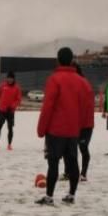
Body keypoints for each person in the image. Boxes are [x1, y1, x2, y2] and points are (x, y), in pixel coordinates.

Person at [35, 47, 91, 205]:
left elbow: (48, 106)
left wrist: (41, 129)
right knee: (73, 162)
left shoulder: (55, 79)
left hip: (56, 130)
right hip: (73, 130)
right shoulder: (82, 81)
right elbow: (86, 106)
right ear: (72, 60)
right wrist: (83, 127)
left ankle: (49, 196)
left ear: (58, 60)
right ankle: (71, 194)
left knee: (53, 163)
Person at [73, 63, 95, 181]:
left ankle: (83, 173)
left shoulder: (83, 84)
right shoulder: (73, 83)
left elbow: (85, 106)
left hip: (85, 124)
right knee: (70, 149)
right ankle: (70, 172)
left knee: (83, 147)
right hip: (74, 123)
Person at [0, 70, 22, 151]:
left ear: (13, 79)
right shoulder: (3, 85)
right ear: (6, 78)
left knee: (10, 128)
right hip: (2, 110)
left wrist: (12, 106)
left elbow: (18, 99)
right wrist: (2, 104)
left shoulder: (17, 87)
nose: (10, 80)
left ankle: (9, 145)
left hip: (11, 112)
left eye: (11, 78)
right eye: (8, 78)